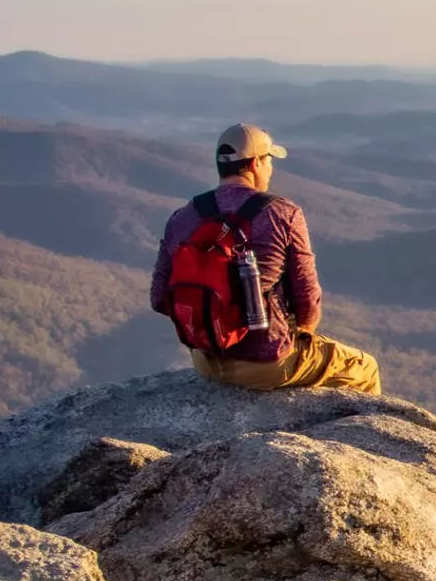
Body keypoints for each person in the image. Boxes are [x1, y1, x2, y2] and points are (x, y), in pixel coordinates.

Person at [150, 123, 381, 394]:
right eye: (269, 160)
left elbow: (159, 299)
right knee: (364, 368)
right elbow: (307, 301)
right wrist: (295, 336)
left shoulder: (183, 216)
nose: (270, 167)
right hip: (268, 362)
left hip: (206, 360)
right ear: (255, 163)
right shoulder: (282, 213)